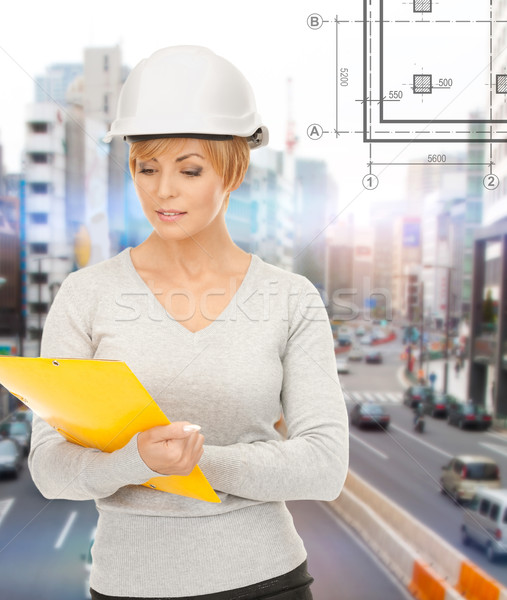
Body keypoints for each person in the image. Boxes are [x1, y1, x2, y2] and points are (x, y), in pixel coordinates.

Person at [28, 46, 349, 600]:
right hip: (127, 585)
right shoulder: (85, 296)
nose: (163, 190)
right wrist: (137, 460)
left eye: (190, 169)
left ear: (234, 171)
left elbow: (324, 466)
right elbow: (49, 469)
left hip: (264, 581)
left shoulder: (290, 298)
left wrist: (197, 463)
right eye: (146, 168)